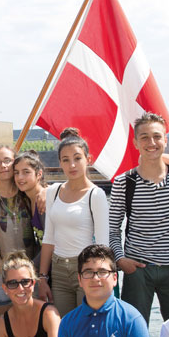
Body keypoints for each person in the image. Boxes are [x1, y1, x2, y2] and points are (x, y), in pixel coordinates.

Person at [108, 112, 169, 324]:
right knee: (134, 329)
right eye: (145, 137)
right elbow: (113, 229)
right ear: (135, 143)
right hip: (138, 269)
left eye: (157, 136)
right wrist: (121, 259)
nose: (152, 142)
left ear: (165, 140)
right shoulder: (124, 182)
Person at [39, 128, 109, 315]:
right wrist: (43, 277)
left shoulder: (96, 195)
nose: (72, 165)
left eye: (77, 158)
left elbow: (103, 244)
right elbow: (49, 237)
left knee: (88, 326)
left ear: (88, 159)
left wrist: (97, 275)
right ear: (60, 163)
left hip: (86, 268)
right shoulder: (53, 192)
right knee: (65, 327)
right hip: (59, 270)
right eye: (66, 160)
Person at [0, 145, 36, 317]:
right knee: (4, 327)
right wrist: (8, 274)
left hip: (30, 273)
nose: (2, 166)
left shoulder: (27, 193)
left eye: (7, 161)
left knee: (30, 325)